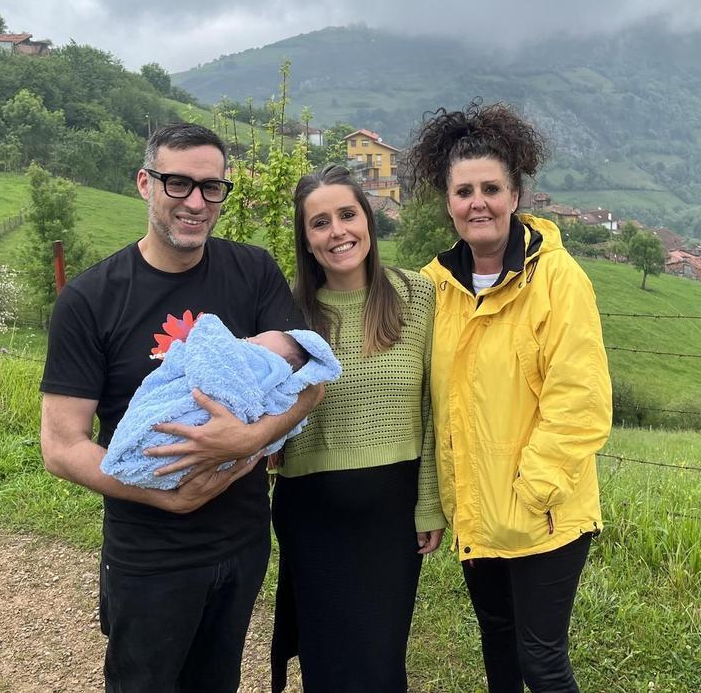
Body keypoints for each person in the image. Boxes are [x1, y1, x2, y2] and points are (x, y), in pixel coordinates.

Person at [39, 123, 323, 693]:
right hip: (149, 554)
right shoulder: (89, 301)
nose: (196, 202)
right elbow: (61, 446)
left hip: (242, 541)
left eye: (211, 187)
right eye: (177, 184)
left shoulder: (253, 271)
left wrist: (247, 440)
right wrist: (166, 496)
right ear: (145, 183)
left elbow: (311, 378)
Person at [404, 102, 612, 693]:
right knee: (497, 646)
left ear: (515, 195)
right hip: (475, 510)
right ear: (447, 202)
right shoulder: (432, 287)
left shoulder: (558, 279)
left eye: (491, 188)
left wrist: (535, 489)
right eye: (464, 190)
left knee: (541, 661)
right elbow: (424, 400)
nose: (478, 203)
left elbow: (580, 399)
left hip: (544, 512)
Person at [269, 163, 445, 693]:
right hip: (310, 512)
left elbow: (436, 405)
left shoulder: (418, 297)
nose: (337, 231)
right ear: (306, 239)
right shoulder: (290, 313)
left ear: (368, 219)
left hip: (390, 518)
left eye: (347, 214)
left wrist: (431, 501)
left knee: (380, 660)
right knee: (324, 661)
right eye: (319, 223)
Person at [101, 317, 341, 490]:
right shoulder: (90, 295)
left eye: (256, 341)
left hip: (237, 532)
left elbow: (311, 389)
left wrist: (252, 437)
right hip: (137, 533)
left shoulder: (257, 272)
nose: (247, 340)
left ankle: (134, 459)